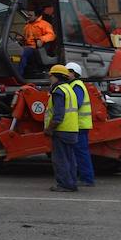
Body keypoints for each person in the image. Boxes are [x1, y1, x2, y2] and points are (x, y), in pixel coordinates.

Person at [44, 64, 79, 192]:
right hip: (71, 130)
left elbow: (58, 115)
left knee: (60, 159)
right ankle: (71, 183)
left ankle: (65, 185)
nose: (50, 78)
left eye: (51, 75)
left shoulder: (58, 91)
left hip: (62, 130)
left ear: (57, 77)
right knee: (70, 158)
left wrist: (49, 129)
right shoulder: (69, 89)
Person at [65, 62, 95, 187]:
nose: (65, 74)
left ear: (73, 73)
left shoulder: (76, 86)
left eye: (67, 72)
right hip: (79, 125)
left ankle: (87, 179)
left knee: (81, 152)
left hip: (79, 125)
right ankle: (85, 177)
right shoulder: (75, 85)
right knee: (80, 152)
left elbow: (75, 104)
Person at [17, 8, 56, 78]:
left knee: (23, 52)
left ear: (37, 16)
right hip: (27, 47)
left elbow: (51, 35)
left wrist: (41, 39)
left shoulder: (44, 24)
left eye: (30, 15)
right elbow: (26, 38)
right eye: (28, 15)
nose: (28, 17)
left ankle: (19, 75)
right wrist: (20, 39)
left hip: (35, 48)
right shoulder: (27, 26)